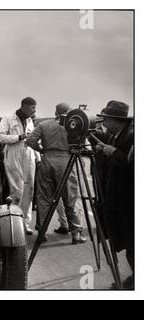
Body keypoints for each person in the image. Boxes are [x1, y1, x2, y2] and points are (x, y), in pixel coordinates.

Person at [26, 103, 86, 244]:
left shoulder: (45, 124)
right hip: (66, 162)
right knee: (70, 199)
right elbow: (81, 145)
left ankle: (42, 232)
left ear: (56, 111)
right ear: (69, 112)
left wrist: (42, 150)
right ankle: (76, 234)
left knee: (44, 199)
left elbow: (30, 140)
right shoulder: (73, 125)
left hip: (47, 160)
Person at [96, 101, 134, 289]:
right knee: (128, 242)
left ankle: (133, 283)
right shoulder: (115, 136)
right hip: (117, 199)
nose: (104, 123)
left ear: (115, 120)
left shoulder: (132, 138)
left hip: (130, 201)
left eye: (106, 120)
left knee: (133, 244)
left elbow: (133, 167)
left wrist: (115, 154)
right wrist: (103, 152)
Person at [0, 97, 37, 235]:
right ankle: (12, 223)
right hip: (13, 155)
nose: (34, 110)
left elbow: (33, 140)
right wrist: (19, 137)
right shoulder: (8, 119)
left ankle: (24, 223)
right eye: (32, 108)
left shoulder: (31, 121)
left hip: (29, 155)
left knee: (29, 190)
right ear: (24, 107)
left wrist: (38, 157)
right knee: (17, 191)